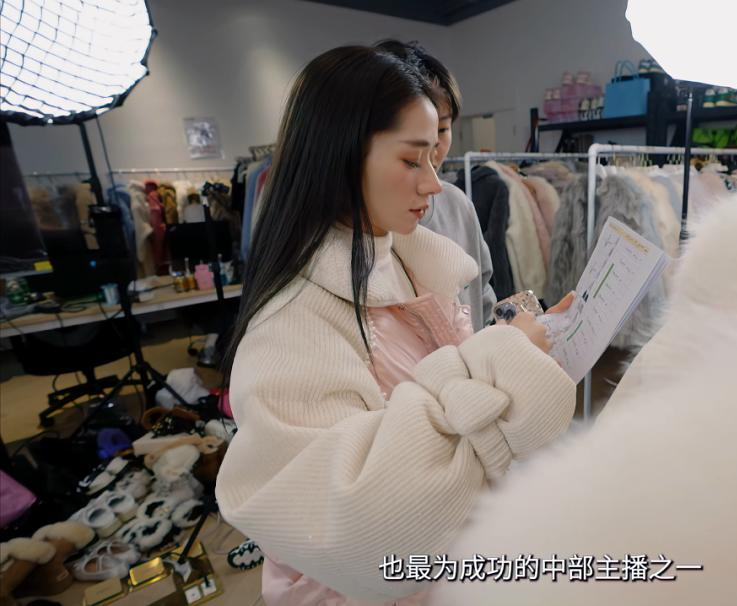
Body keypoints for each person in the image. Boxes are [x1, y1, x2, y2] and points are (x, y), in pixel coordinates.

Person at [215, 46, 576, 606]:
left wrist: (524, 350)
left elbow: (446, 405)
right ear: (339, 156)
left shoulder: (408, 263)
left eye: (434, 156)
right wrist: (503, 364)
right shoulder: (291, 326)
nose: (434, 184)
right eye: (412, 161)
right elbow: (361, 528)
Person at [374, 39, 496, 331]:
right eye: (415, 142)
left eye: (442, 129)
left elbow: (482, 296)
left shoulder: (457, 204)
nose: (434, 147)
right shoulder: (367, 227)